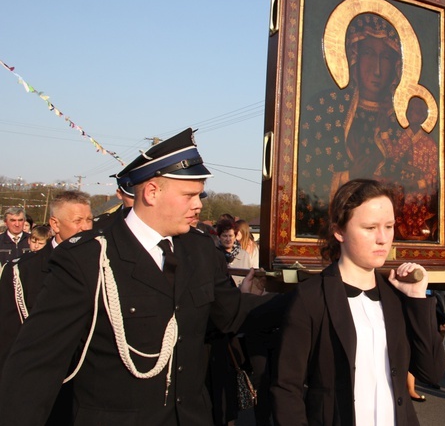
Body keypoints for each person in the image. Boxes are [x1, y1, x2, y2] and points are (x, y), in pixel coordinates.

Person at [0, 128, 270, 425]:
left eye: (199, 195)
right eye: (189, 195)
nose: (199, 205)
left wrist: (306, 299)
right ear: (152, 192)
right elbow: (36, 365)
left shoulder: (201, 250)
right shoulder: (88, 259)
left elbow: (231, 314)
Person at [271, 179, 445, 425]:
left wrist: (417, 298)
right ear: (339, 231)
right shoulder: (311, 298)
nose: (383, 239)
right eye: (370, 227)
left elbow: (432, 372)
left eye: (389, 226)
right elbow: (286, 388)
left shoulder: (397, 298)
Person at [296, 13, 440, 241]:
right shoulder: (325, 108)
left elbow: (423, 180)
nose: (377, 69)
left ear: (397, 66)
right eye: (369, 54)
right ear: (353, 56)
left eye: (386, 57)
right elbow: (305, 180)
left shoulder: (401, 119)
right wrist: (349, 176)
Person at [0, 190, 94, 425]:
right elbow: (9, 337)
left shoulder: (103, 266)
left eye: (89, 220)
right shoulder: (22, 271)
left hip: (90, 388)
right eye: (77, 221)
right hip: (42, 388)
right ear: (55, 224)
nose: (85, 227)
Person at [216, 218, 253, 286]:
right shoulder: (214, 254)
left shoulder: (244, 255)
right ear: (219, 237)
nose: (228, 239)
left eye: (231, 236)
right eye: (225, 236)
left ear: (235, 236)